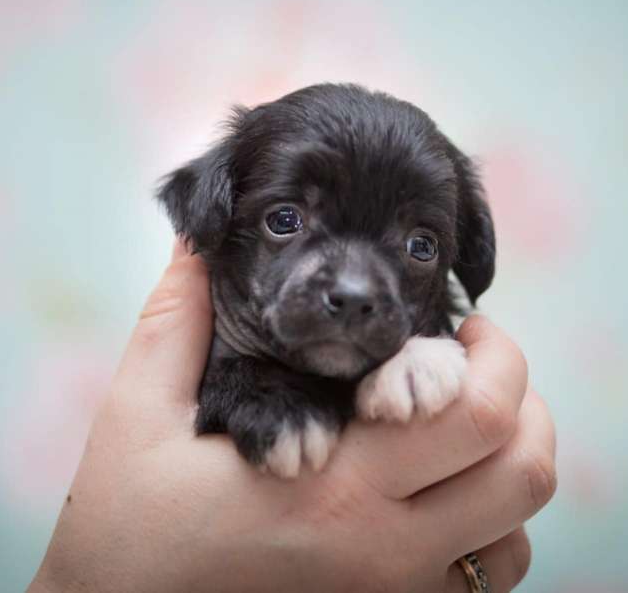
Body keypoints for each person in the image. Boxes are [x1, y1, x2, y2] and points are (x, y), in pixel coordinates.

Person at [29, 242, 557, 592]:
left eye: (418, 245)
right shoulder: (212, 359)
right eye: (286, 221)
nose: (352, 285)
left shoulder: (427, 360)